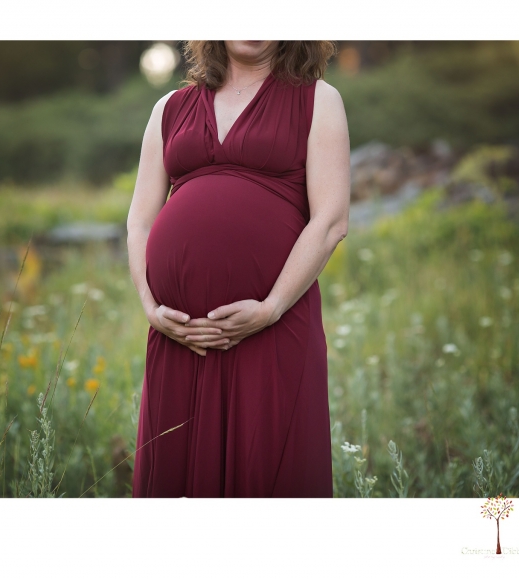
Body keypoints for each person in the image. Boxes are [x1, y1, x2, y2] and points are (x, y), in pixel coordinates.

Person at [126, 40, 350, 497]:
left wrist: (270, 308)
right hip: (180, 337)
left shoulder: (317, 100)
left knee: (267, 472)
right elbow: (140, 220)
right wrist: (151, 306)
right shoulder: (168, 108)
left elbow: (330, 221)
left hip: (272, 327)